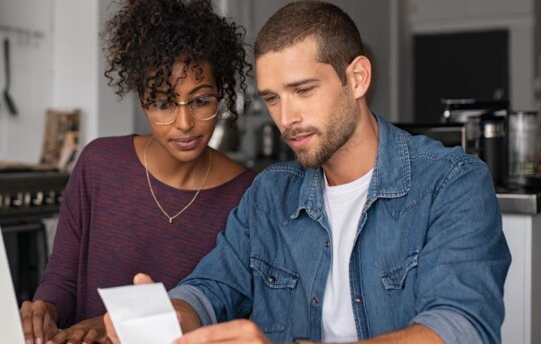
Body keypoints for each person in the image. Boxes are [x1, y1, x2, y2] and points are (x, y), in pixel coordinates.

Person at [105, 1, 511, 343]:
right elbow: (213, 287)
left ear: (357, 78)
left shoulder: (452, 182)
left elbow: (460, 327)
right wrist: (171, 318)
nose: (287, 118)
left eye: (303, 90)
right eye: (272, 98)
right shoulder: (270, 194)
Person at [20, 1, 256, 343]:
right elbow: (63, 277)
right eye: (162, 104)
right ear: (142, 101)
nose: (185, 123)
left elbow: (228, 308)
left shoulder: (248, 195)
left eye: (201, 100)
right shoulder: (98, 164)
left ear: (222, 94)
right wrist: (45, 310)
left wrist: (107, 326)